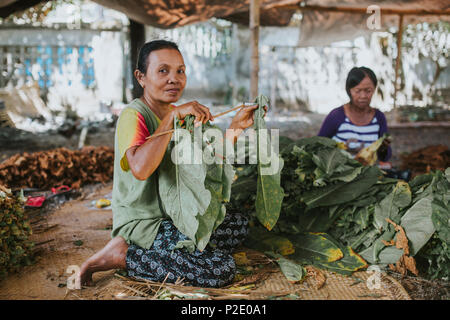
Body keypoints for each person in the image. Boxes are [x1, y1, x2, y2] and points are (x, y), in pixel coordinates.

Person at [78, 40, 263, 288]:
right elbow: (141, 169)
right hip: (145, 222)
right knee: (221, 269)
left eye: (180, 70)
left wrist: (236, 128)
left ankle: (163, 249)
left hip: (177, 215)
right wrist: (171, 118)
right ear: (141, 77)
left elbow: (207, 164)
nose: (174, 79)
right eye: (163, 70)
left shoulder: (180, 114)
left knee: (238, 224)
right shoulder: (134, 115)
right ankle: (123, 254)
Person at [318, 66, 391, 161]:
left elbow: (385, 157)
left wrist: (384, 147)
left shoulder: (379, 118)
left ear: (374, 90)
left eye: (368, 91)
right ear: (349, 90)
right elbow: (319, 146)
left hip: (368, 173)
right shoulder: (336, 116)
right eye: (358, 91)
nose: (363, 96)